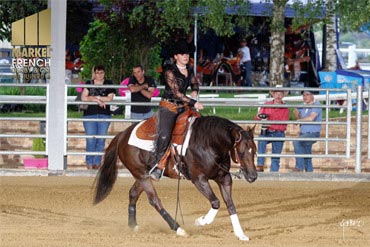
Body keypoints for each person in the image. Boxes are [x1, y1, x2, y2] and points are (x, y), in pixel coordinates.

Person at [150, 39, 204, 181]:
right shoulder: (169, 70)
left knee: (201, 126)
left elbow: (194, 83)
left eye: (187, 54)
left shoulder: (190, 69)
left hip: (183, 106)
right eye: (182, 54)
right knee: (165, 135)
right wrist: (194, 102)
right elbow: (176, 92)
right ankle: (157, 165)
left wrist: (194, 91)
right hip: (169, 107)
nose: (185, 56)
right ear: (175, 56)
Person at [81, 65, 116, 169]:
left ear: (104, 73)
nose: (99, 75)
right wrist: (98, 100)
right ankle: (89, 162)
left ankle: (97, 163)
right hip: (89, 115)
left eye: (101, 73)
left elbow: (110, 98)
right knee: (90, 140)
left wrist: (93, 98)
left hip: (104, 114)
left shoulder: (109, 83)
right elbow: (83, 97)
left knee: (101, 140)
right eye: (97, 73)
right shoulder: (89, 83)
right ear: (94, 73)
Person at [254, 87, 290, 172]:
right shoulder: (267, 104)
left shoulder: (285, 108)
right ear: (273, 94)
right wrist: (258, 116)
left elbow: (283, 125)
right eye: (276, 93)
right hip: (268, 131)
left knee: (275, 156)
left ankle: (273, 172)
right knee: (261, 140)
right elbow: (256, 118)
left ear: (283, 95)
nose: (278, 95)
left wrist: (269, 124)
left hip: (278, 133)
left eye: (280, 93)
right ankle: (260, 165)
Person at [293, 90, 322, 172]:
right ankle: (309, 173)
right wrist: (298, 117)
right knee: (307, 154)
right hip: (303, 133)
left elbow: (311, 118)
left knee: (297, 142)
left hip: (312, 134)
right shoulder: (303, 105)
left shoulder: (316, 105)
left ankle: (299, 167)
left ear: (312, 95)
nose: (305, 97)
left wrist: (299, 120)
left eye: (307, 94)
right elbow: (295, 109)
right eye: (303, 95)